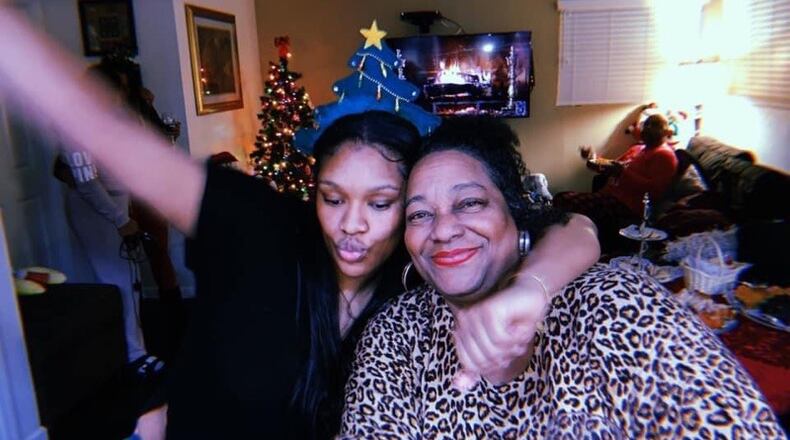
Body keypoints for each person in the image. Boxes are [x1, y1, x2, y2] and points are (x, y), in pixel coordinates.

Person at [0, 11, 600, 439]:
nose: (351, 227)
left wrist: (531, 289)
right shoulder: (257, 226)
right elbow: (101, 131)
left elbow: (576, 230)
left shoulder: (424, 276)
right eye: (333, 198)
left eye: (383, 203)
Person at [340, 117, 784, 439]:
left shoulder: (615, 304)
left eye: (470, 203)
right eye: (420, 213)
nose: (442, 229)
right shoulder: (395, 333)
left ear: (518, 215)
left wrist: (529, 289)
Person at [56, 61, 163, 377]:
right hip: (96, 212)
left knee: (130, 281)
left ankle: (135, 349)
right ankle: (133, 355)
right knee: (117, 281)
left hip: (118, 204)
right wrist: (119, 219)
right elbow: (87, 181)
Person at [554, 113, 679, 252]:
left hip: (627, 206)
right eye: (647, 124)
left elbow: (654, 190)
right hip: (609, 196)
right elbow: (610, 166)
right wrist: (591, 158)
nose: (648, 128)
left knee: (565, 200)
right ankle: (570, 247)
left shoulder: (665, 155)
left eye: (655, 125)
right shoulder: (637, 149)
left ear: (666, 131)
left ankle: (569, 249)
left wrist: (622, 172)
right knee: (562, 198)